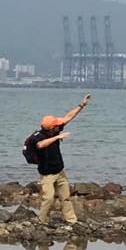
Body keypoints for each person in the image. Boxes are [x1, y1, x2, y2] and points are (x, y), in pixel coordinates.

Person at [31, 94, 90, 227]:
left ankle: (72, 220)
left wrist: (82, 105)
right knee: (49, 198)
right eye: (57, 125)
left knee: (66, 198)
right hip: (47, 175)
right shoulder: (38, 137)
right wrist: (57, 138)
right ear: (51, 128)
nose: (60, 125)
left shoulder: (55, 130)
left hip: (60, 172)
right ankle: (41, 221)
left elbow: (68, 117)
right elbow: (40, 145)